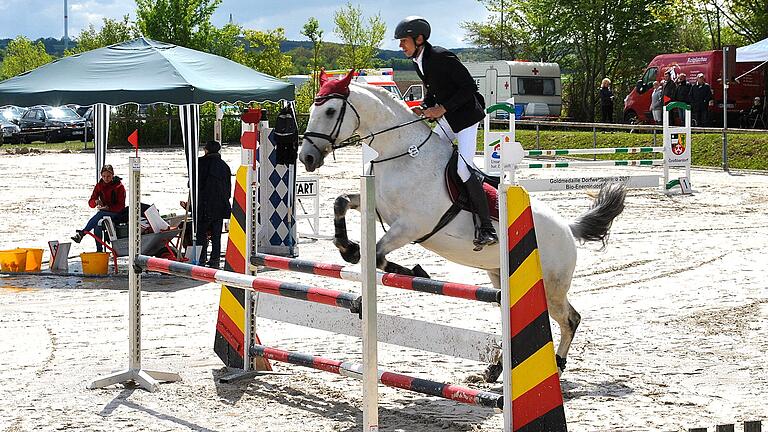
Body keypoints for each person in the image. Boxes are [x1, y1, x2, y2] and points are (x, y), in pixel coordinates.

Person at [395, 16, 497, 249]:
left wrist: (442, 108)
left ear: (419, 39)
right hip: (450, 118)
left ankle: (487, 228)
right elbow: (435, 89)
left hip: (467, 118)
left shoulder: (441, 56)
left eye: (404, 41)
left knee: (463, 169)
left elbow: (469, 87)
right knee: (429, 154)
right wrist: (425, 105)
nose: (401, 46)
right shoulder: (418, 60)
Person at [181, 140, 232, 269]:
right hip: (220, 206)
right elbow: (228, 188)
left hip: (203, 206)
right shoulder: (225, 166)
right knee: (216, 236)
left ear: (206, 150)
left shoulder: (200, 163)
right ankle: (214, 261)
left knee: (200, 235)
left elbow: (192, 184)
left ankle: (201, 259)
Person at [71, 164, 126, 252]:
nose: (106, 178)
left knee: (100, 214)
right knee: (97, 224)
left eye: (108, 176)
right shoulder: (99, 186)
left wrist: (107, 208)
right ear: (101, 176)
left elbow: (121, 206)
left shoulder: (119, 187)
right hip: (104, 213)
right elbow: (91, 203)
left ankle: (82, 233)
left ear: (113, 175)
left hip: (118, 213)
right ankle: (99, 251)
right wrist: (96, 201)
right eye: (104, 176)